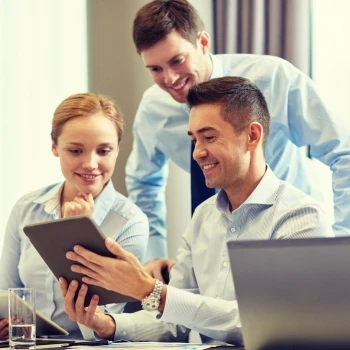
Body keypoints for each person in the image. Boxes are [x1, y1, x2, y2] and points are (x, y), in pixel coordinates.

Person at [59, 77, 334, 344]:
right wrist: (106, 324)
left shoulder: (301, 218)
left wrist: (150, 290)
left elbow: (273, 322)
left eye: (209, 137)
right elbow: (176, 321)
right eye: (194, 140)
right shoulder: (203, 217)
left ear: (252, 136)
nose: (197, 153)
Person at [127, 0, 350, 277]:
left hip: (293, 240)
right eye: (155, 69)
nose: (170, 78)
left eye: (177, 60)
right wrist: (154, 254)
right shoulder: (153, 108)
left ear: (203, 42)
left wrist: (343, 242)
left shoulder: (274, 77)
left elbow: (344, 152)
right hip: (215, 255)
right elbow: (143, 182)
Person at [0, 93, 149, 339]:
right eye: (76, 150)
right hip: (27, 344)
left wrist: (79, 229)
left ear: (117, 150)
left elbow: (101, 323)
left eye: (104, 151)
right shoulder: (26, 208)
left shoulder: (131, 222)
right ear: (55, 147)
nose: (91, 163)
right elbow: (6, 294)